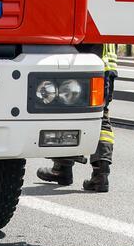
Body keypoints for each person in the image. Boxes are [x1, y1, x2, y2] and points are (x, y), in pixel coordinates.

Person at [36, 43, 116, 191]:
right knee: (101, 119)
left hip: (83, 68)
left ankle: (62, 168)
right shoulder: (107, 21)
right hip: (106, 71)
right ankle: (101, 175)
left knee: (66, 115)